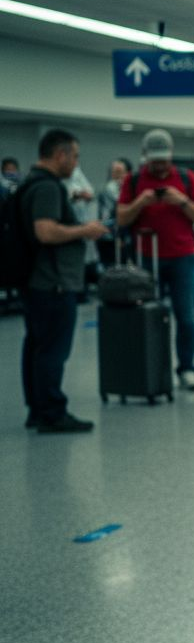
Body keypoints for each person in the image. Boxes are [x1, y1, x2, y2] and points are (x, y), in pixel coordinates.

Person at [17, 130, 108, 432]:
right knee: (52, 351)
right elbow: (45, 231)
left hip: (36, 282)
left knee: (36, 347)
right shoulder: (48, 188)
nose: (75, 162)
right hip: (53, 283)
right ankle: (53, 412)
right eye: (75, 156)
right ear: (61, 155)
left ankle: (37, 409)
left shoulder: (30, 184)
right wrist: (84, 230)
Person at [116, 128, 194, 391]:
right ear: (145, 157)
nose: (160, 166)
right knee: (147, 316)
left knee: (186, 317)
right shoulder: (133, 181)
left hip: (183, 257)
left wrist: (181, 201)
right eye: (154, 161)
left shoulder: (186, 178)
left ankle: (187, 368)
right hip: (147, 257)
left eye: (164, 160)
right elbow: (122, 217)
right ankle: (150, 367)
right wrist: (140, 203)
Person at [61, 163, 100, 296]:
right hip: (68, 227)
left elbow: (90, 192)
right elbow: (66, 195)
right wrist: (76, 195)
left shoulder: (77, 174)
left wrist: (85, 195)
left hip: (84, 223)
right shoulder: (57, 180)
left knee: (86, 260)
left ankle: (83, 290)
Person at [96, 158, 131, 269]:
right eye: (114, 172)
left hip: (122, 238)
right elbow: (113, 213)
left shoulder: (128, 188)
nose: (117, 175)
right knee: (112, 272)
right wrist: (118, 236)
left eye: (120, 172)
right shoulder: (110, 189)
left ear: (128, 173)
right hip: (109, 238)